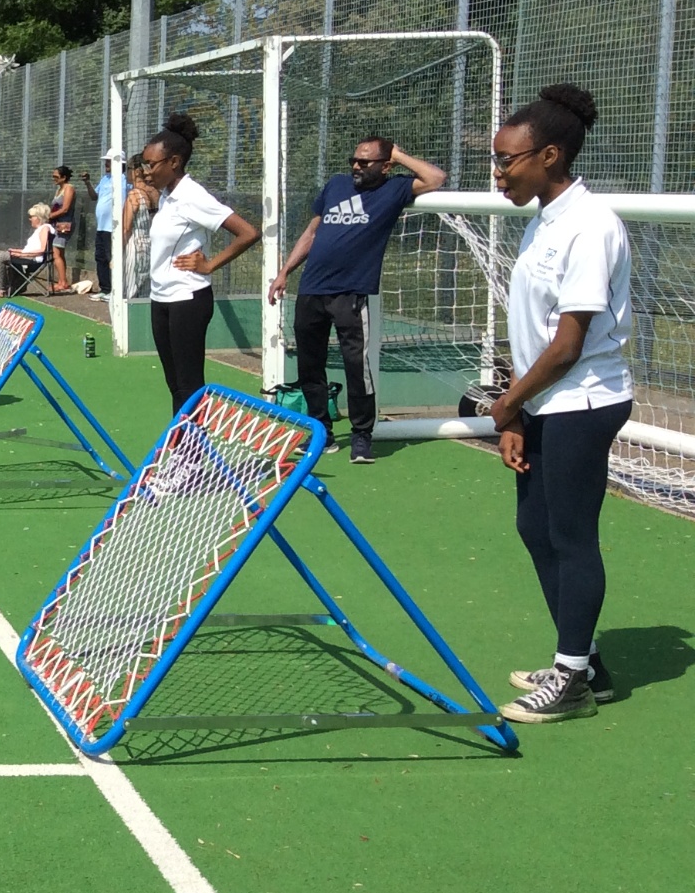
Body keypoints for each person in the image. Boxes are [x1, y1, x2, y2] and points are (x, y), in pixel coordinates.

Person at [480, 86, 631, 725]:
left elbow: (568, 345)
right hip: (544, 401)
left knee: (571, 534)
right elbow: (533, 328)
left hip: (583, 400)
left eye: (508, 161)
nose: (498, 172)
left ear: (549, 154)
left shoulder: (591, 225)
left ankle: (570, 679)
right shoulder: (545, 217)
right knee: (534, 527)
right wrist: (516, 412)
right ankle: (584, 661)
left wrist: (508, 403)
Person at [267, 136, 446, 463]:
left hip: (350, 293)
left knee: (356, 367)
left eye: (365, 162)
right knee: (310, 365)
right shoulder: (336, 186)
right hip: (311, 289)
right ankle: (322, 431)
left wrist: (399, 154)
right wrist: (285, 272)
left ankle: (363, 436)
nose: (356, 166)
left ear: (385, 165)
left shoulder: (394, 190)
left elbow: (436, 178)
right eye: (354, 160)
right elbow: (311, 232)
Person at [128, 115, 260, 415]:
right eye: (144, 163)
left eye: (152, 164)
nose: (146, 171)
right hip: (161, 297)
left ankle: (192, 457)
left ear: (174, 162)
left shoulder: (192, 196)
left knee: (189, 385)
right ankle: (182, 448)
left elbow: (248, 232)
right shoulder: (167, 196)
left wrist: (210, 264)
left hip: (188, 299)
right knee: (174, 384)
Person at [0, 204, 54, 298]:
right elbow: (31, 248)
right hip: (26, 257)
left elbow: (41, 250)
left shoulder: (45, 228)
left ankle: (1, 289)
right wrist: (17, 251)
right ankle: (12, 286)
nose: (30, 219)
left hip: (32, 260)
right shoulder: (39, 230)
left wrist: (21, 254)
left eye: (31, 217)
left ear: (38, 218)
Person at [93, 151, 119, 300]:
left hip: (113, 228)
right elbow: (94, 196)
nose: (106, 164)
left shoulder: (124, 179)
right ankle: (105, 289)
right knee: (100, 257)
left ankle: (116, 290)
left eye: (109, 161)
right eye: (106, 162)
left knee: (112, 259)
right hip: (101, 227)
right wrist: (87, 183)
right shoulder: (104, 179)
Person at [47, 165, 77, 292]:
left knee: (56, 253)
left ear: (64, 177)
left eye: (56, 177)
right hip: (57, 224)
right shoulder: (59, 189)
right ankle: (61, 281)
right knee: (59, 253)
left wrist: (49, 216)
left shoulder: (69, 188)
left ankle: (63, 282)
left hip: (65, 224)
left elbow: (65, 208)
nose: (54, 179)